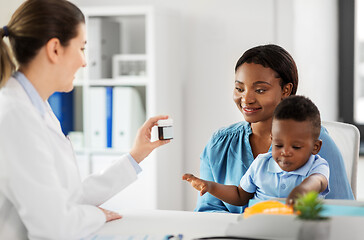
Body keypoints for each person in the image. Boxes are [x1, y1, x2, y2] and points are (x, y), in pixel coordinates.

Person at [0, 0, 170, 239]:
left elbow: (68, 197)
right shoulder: (14, 115)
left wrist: (135, 156)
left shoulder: (38, 108)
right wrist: (97, 215)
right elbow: (54, 227)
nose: (84, 61)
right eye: (81, 48)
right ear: (55, 49)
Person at [194, 44, 353, 213]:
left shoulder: (314, 141)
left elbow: (343, 211)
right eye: (239, 89)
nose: (246, 99)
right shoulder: (219, 143)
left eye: (260, 90)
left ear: (286, 90)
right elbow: (208, 210)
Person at [184, 95, 329, 207]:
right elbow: (239, 195)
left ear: (315, 147)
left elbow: (318, 181)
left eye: (296, 147)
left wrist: (302, 191)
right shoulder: (261, 163)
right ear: (272, 139)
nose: (285, 152)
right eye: (278, 145)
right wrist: (210, 186)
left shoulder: (316, 166)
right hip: (260, 228)